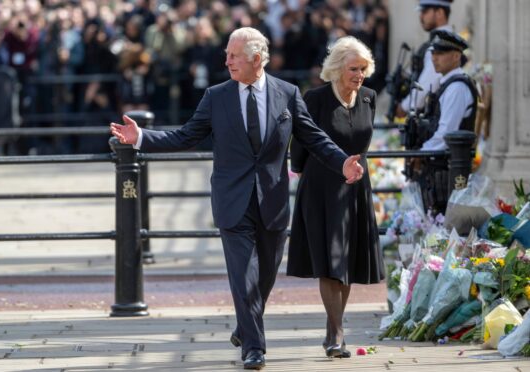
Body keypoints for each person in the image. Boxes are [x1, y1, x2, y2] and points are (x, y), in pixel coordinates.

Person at [110, 27, 364, 370]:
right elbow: (186, 136)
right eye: (227, 54)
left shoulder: (287, 94)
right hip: (232, 201)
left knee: (265, 277)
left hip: (272, 201)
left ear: (256, 59)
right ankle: (254, 348)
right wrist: (141, 137)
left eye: (234, 55)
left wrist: (341, 161)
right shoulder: (216, 96)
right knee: (243, 275)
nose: (226, 60)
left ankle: (245, 326)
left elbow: (314, 138)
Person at [287, 36, 385, 359]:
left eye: (363, 68)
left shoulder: (369, 98)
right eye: (353, 68)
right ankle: (337, 332)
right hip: (321, 187)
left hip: (355, 186)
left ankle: (333, 330)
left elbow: (365, 142)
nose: (359, 74)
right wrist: (299, 169)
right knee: (330, 260)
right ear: (337, 68)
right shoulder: (314, 99)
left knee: (347, 260)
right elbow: (300, 142)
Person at [412, 29, 478, 213]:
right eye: (433, 53)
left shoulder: (456, 87)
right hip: (440, 167)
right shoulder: (448, 83)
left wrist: (419, 154)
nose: (434, 57)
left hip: (447, 170)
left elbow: (446, 134)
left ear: (456, 56)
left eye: (440, 53)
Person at [396, 0, 454, 118]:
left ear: (439, 13)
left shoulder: (441, 44)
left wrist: (404, 107)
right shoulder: (439, 41)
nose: (421, 16)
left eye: (425, 11)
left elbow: (426, 85)